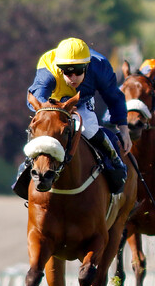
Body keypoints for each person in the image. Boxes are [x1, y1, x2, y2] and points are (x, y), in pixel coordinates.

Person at [14, 37, 130, 197]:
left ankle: (115, 162)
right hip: (52, 104)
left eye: (78, 71)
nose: (72, 77)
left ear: (87, 66)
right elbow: (37, 98)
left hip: (81, 103)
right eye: (67, 71)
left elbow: (114, 97)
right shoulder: (48, 67)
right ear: (59, 67)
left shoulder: (100, 66)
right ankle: (28, 164)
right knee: (44, 127)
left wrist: (123, 128)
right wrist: (54, 112)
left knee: (87, 129)